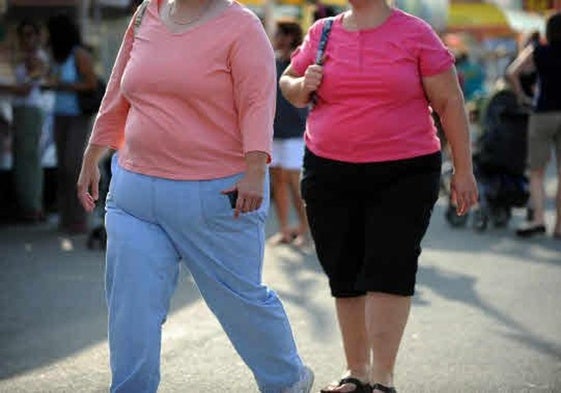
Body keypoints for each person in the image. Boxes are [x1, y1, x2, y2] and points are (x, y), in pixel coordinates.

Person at [76, 1, 313, 392]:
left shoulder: (242, 26)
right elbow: (120, 88)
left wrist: (255, 170)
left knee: (240, 303)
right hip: (134, 194)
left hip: (218, 193)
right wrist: (93, 153)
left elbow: (257, 102)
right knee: (131, 310)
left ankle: (287, 381)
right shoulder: (146, 14)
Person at [279, 0, 478, 392]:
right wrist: (302, 86)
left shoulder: (416, 34)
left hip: (404, 171)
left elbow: (450, 102)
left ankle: (382, 377)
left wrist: (464, 170)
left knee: (390, 265)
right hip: (328, 168)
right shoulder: (324, 32)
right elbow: (288, 82)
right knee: (344, 269)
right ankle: (358, 372)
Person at [507, 12, 561, 239]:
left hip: (542, 112)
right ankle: (559, 227)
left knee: (537, 171)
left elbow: (512, 72)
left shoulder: (538, 50)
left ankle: (538, 219)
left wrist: (522, 96)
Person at [44, 14, 98, 234]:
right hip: (60, 115)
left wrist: (63, 85)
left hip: (77, 115)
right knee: (63, 169)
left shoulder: (79, 55)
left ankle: (80, 217)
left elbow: (91, 83)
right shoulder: (56, 57)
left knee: (73, 165)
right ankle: (66, 217)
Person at [0, 19, 48, 222]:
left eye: (30, 34)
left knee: (28, 160)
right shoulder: (24, 57)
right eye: (23, 35)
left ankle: (33, 207)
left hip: (29, 109)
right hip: (21, 109)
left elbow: (27, 87)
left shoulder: (37, 58)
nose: (26, 39)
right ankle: (29, 205)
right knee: (23, 160)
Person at [270, 20, 309, 246]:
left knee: (296, 185)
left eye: (278, 34)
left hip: (295, 133)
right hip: (274, 132)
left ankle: (304, 229)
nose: (275, 37)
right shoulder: (272, 61)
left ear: (289, 36)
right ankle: (284, 229)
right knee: (278, 184)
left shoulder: (300, 62)